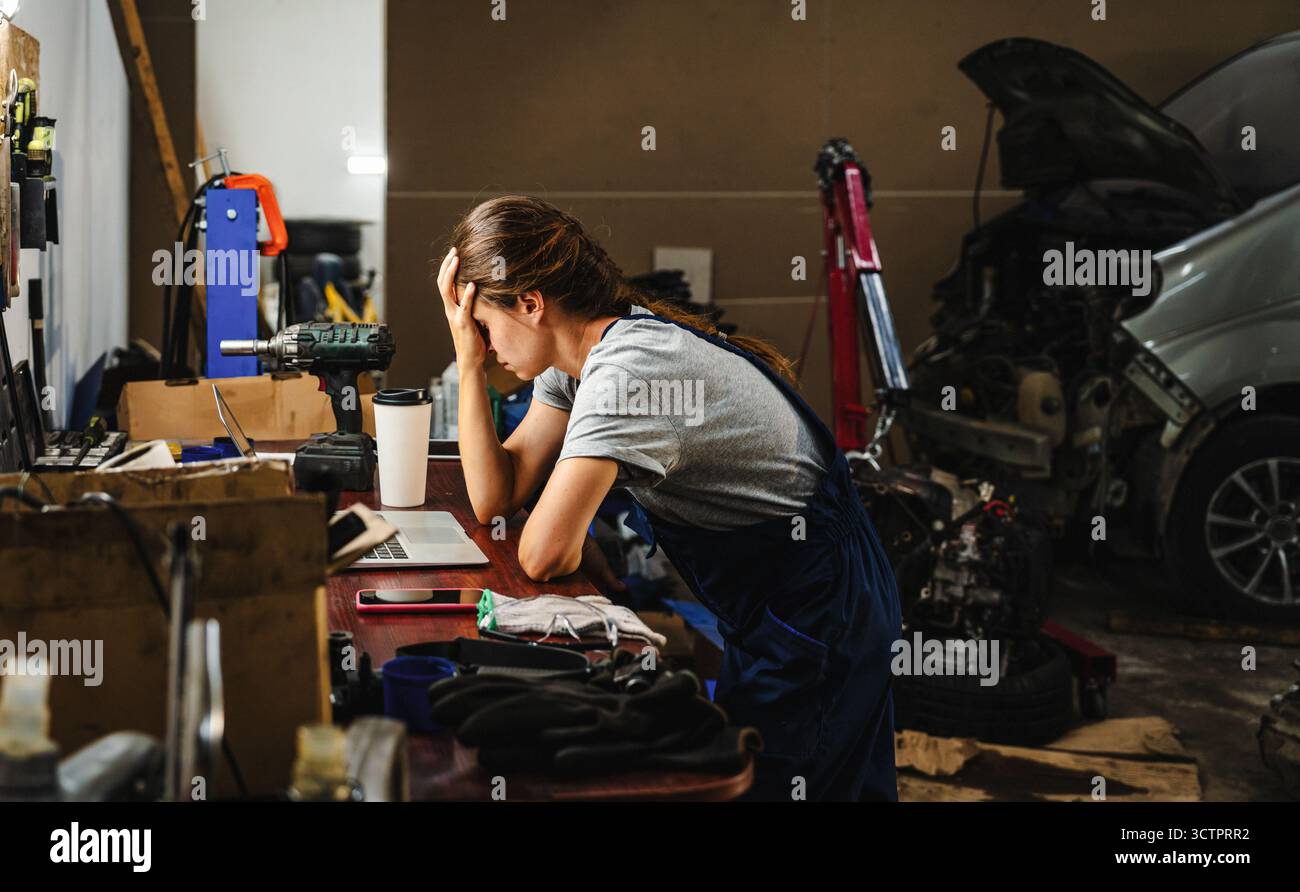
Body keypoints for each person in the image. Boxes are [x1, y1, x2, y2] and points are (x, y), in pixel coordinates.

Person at [437, 195, 901, 800]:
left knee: (789, 781)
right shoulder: (575, 360)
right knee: (789, 771)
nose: (484, 342)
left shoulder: (631, 370)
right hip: (774, 602)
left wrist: (473, 359)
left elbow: (543, 555)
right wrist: (468, 362)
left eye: (483, 326)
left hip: (820, 602)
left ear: (531, 303)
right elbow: (498, 498)